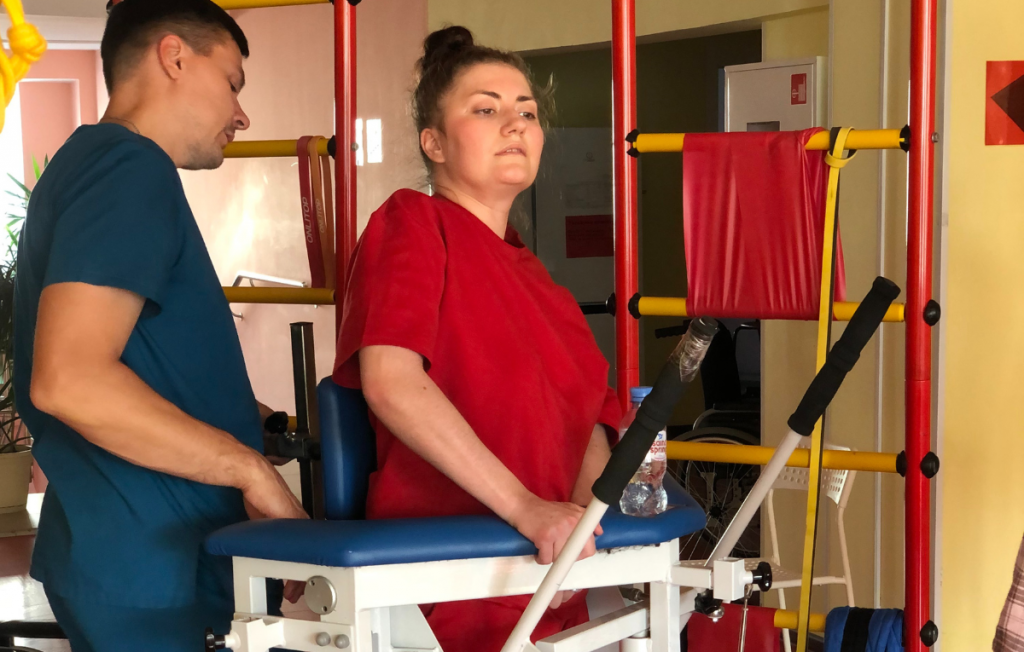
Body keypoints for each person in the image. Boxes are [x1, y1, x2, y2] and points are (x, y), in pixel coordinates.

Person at [14, 1, 307, 650]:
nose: (241, 114)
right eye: (231, 82)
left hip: (136, 554)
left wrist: (251, 423)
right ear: (173, 56)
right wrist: (249, 470)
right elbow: (70, 381)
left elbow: (132, 362)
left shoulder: (88, 164)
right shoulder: (128, 169)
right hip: (154, 562)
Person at [333, 26, 621, 652]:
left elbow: (591, 424)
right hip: (453, 571)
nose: (515, 125)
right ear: (433, 142)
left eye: (527, 112)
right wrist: (525, 509)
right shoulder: (412, 223)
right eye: (486, 110)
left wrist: (586, 531)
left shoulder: (544, 286)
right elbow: (391, 382)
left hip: (550, 577)